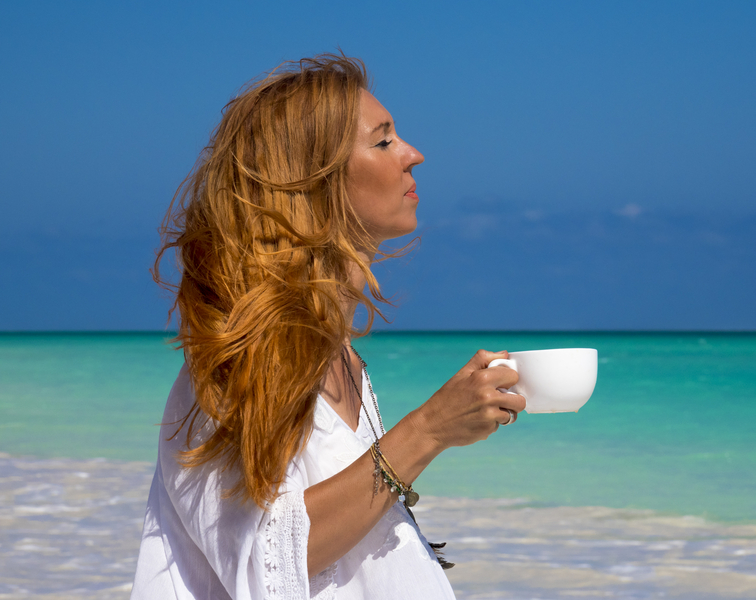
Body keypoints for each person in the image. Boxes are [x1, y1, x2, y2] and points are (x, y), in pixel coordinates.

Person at [130, 53, 525, 600]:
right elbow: (266, 565)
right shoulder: (242, 355)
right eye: (383, 141)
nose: (414, 154)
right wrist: (430, 429)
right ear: (313, 182)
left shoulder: (337, 356)